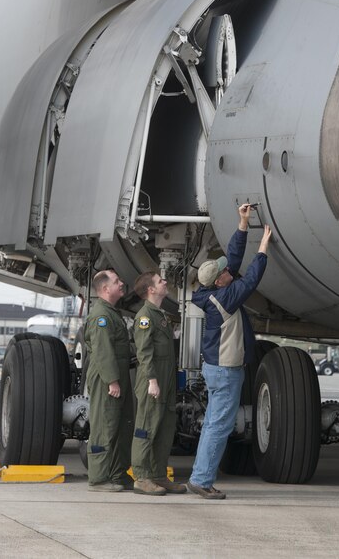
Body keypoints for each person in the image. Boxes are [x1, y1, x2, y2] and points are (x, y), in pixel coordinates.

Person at [187, 203, 271, 500]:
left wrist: (243, 223)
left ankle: (199, 475)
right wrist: (262, 248)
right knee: (219, 426)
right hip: (225, 372)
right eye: (225, 272)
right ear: (221, 280)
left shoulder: (211, 293)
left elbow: (233, 261)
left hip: (217, 369)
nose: (229, 270)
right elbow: (250, 279)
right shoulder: (227, 299)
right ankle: (201, 480)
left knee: (213, 423)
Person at [131, 271, 186, 495]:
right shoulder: (145, 316)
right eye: (160, 280)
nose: (165, 281)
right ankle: (141, 477)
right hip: (153, 381)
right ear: (151, 290)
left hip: (166, 380)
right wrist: (152, 381)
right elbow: (144, 352)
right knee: (147, 428)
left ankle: (158, 475)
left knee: (164, 429)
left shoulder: (159, 314)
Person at [84, 269, 134, 492]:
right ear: (105, 289)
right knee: (105, 425)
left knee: (122, 425)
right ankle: (99, 478)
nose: (122, 283)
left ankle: (118, 474)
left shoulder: (112, 312)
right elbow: (103, 352)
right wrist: (112, 381)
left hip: (118, 374)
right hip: (107, 377)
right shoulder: (100, 316)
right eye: (117, 281)